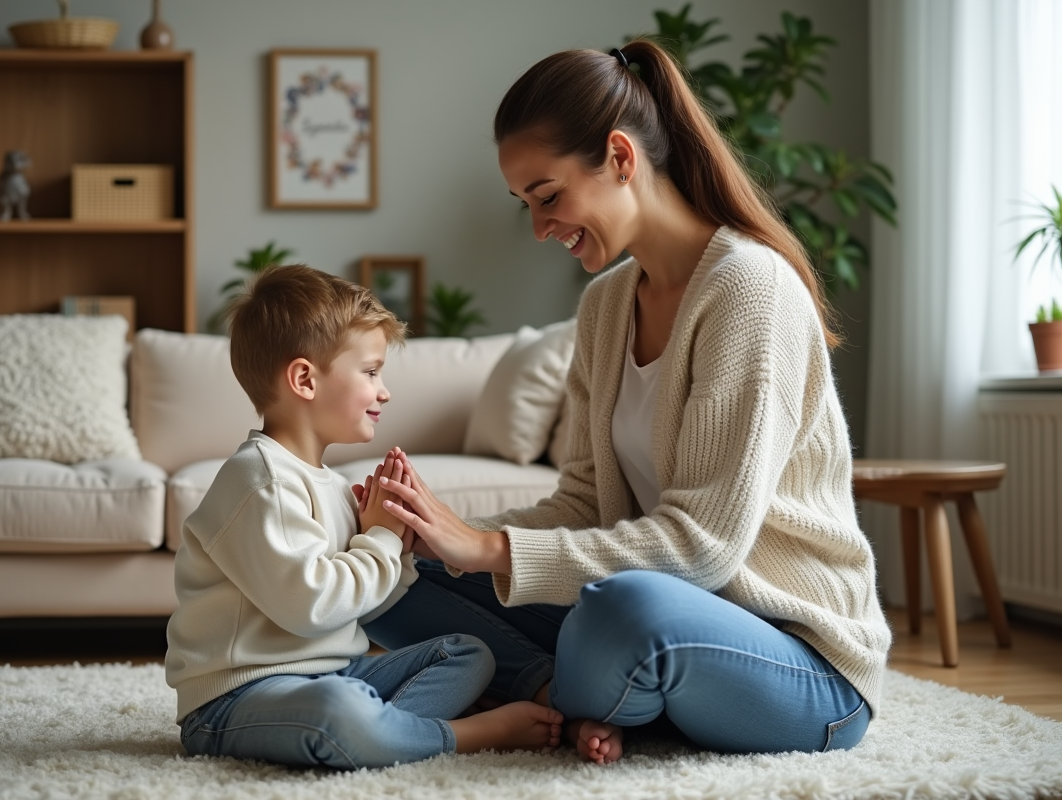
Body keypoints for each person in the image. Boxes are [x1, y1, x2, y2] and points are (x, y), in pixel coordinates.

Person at [362, 39, 892, 765]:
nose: (540, 227)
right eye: (526, 205)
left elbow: (704, 548)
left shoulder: (750, 288)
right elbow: (584, 503)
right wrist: (440, 534)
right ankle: (564, 694)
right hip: (662, 621)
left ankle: (564, 687)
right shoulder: (606, 305)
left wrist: (489, 550)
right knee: (386, 571)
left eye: (548, 196)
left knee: (622, 609)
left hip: (801, 662)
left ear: (619, 156)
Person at [164, 265, 562, 770]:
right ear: (304, 379)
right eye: (371, 372)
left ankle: (386, 735)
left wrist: (404, 540)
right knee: (339, 709)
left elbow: (375, 597)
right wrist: (379, 539)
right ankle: (458, 735)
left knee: (468, 654)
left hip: (337, 676)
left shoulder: (330, 484)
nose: (384, 390)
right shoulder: (261, 480)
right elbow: (312, 607)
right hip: (237, 698)